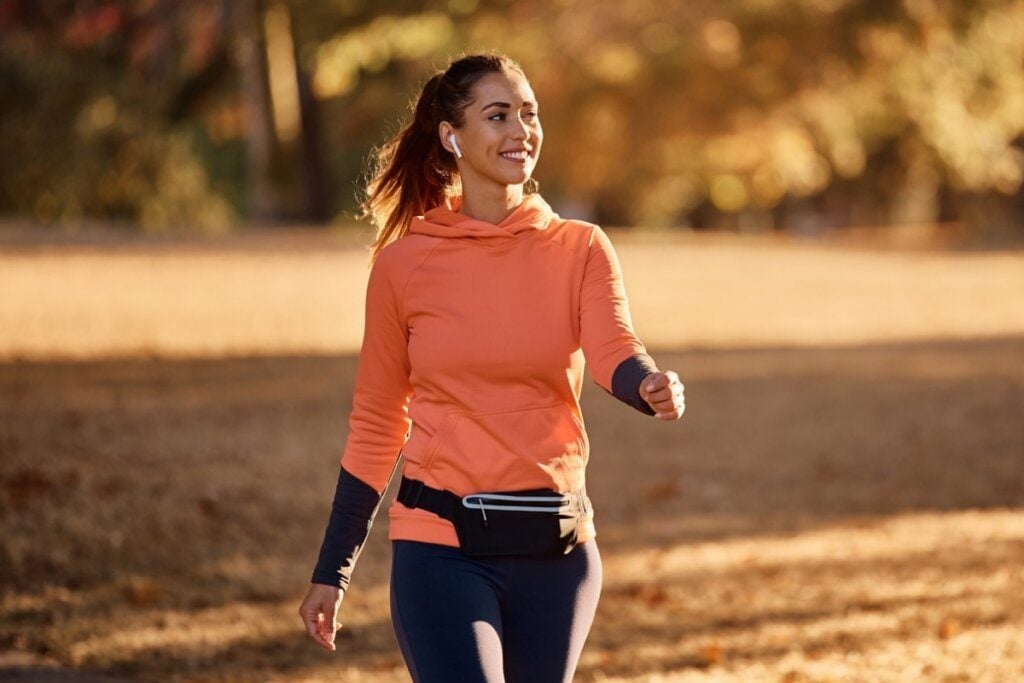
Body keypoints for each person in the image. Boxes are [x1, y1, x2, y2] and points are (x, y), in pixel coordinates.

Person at [297, 52, 685, 682]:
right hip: (441, 548)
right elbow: (376, 424)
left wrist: (647, 384)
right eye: (498, 115)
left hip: (557, 548)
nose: (520, 131)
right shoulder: (404, 266)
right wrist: (333, 571)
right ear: (452, 136)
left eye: (528, 115)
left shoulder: (579, 247)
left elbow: (613, 345)